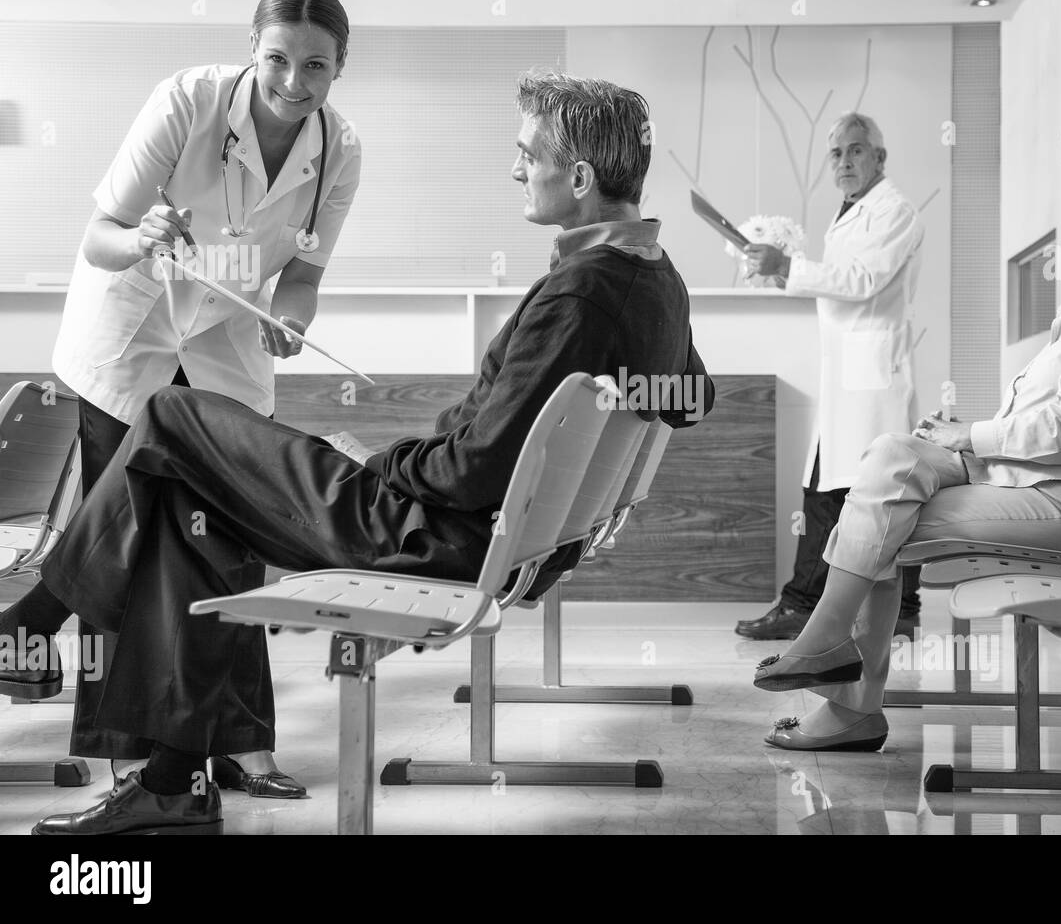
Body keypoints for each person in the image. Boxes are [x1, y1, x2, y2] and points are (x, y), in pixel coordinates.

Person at [0, 69, 713, 835]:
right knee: (185, 493)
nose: (515, 170)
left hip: (419, 534)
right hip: (482, 534)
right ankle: (167, 779)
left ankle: (38, 618)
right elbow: (692, 399)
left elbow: (473, 468)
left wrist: (376, 462)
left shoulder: (580, 293)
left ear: (577, 177)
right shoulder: (654, 276)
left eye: (526, 155)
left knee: (171, 415)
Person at [43, 0, 362, 798]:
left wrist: (289, 319)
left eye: (316, 67)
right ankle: (129, 759)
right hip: (134, 336)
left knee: (227, 544)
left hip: (223, 345)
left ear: (339, 68)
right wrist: (142, 234)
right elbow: (99, 239)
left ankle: (240, 745)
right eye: (278, 60)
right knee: (132, 546)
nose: (294, 83)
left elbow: (304, 276)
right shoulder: (185, 102)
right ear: (253, 50)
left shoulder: (341, 151)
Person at [753, 172, 1061, 752]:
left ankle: (843, 687)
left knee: (879, 519)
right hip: (1018, 481)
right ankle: (831, 654)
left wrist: (967, 435)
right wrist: (962, 440)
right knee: (890, 454)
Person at [736, 113, 925, 641]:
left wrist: (790, 265)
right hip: (847, 376)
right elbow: (838, 288)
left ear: (879, 158)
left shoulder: (896, 212)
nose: (844, 162)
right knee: (835, 487)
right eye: (836, 154)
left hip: (873, 378)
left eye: (856, 151)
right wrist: (781, 274)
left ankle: (878, 606)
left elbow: (863, 280)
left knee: (869, 493)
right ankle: (832, 604)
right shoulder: (850, 213)